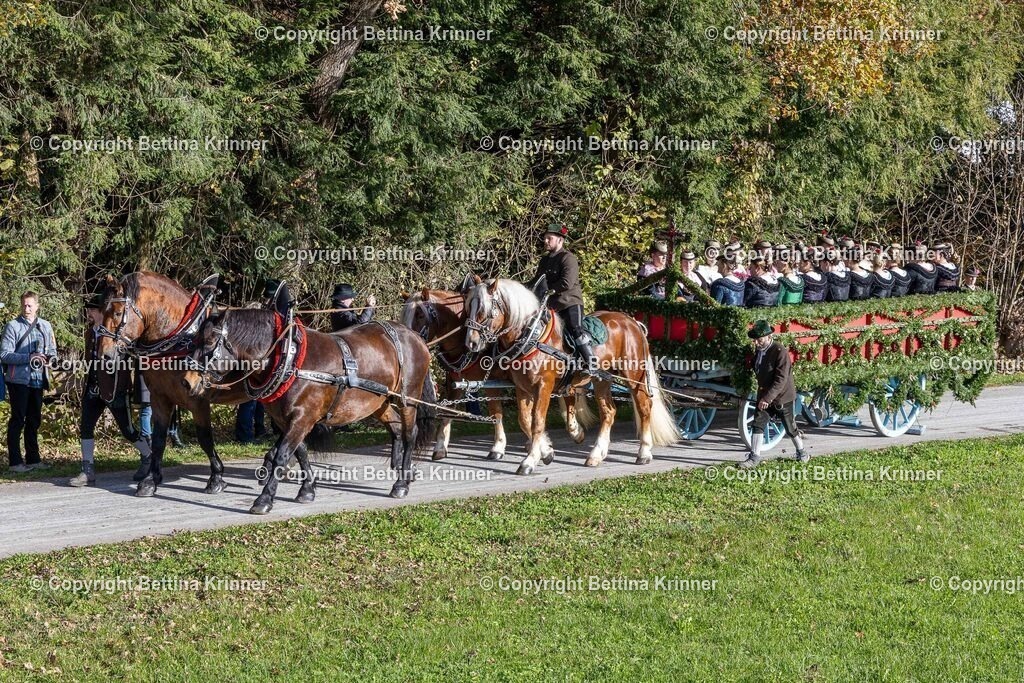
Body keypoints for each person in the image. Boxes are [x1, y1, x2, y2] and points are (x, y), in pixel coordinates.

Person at [70, 295, 154, 486]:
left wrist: (121, 388)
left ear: (101, 312)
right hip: (93, 389)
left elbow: (124, 364)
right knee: (86, 428)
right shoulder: (91, 332)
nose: (88, 313)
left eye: (91, 310)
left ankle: (149, 455)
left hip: (114, 389)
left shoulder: (118, 335)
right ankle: (87, 470)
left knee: (128, 430)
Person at [738, 320, 808, 468]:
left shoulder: (779, 351)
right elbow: (756, 367)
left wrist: (768, 398)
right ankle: (754, 457)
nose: (756, 342)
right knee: (758, 424)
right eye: (755, 339)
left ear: (769, 337)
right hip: (764, 394)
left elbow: (781, 380)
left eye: (759, 339)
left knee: (789, 427)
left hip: (782, 397)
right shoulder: (759, 351)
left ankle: (802, 452)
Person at [1, 291, 57, 472]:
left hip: (38, 379)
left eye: (30, 305)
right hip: (18, 380)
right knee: (18, 420)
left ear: (37, 306)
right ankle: (15, 462)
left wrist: (49, 359)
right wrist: (29, 357)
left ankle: (33, 459)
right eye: (24, 305)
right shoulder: (12, 326)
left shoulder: (45, 326)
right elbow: (4, 355)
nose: (26, 308)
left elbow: (53, 352)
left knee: (34, 420)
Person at [530, 223, 594, 372]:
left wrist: (546, 291)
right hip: (551, 306)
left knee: (575, 327)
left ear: (560, 240)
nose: (545, 241)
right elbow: (537, 281)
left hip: (569, 303)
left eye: (549, 238)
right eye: (545, 238)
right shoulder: (544, 261)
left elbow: (567, 282)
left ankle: (591, 362)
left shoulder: (568, 258)